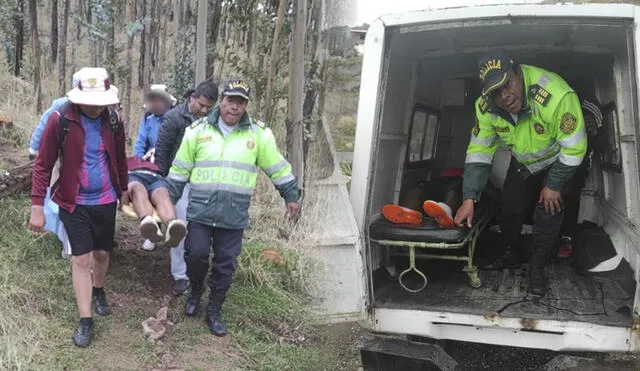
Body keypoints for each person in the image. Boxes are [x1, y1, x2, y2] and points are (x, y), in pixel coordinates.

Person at [166, 79, 300, 337]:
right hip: (201, 212)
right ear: (221, 101)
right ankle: (195, 290)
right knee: (195, 256)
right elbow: (180, 169)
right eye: (230, 100)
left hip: (233, 214)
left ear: (246, 106)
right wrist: (167, 200)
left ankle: (214, 309)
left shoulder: (259, 135)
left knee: (225, 264)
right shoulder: (197, 130)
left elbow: (278, 168)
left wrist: (290, 195)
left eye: (240, 102)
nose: (234, 107)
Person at [455, 49, 587, 296]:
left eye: (508, 85)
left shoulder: (556, 95)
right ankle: (511, 253)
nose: (504, 96)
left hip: (557, 161)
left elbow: (576, 146)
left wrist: (554, 185)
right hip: (523, 162)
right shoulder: (485, 108)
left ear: (518, 71)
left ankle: (537, 266)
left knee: (548, 213)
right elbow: (479, 151)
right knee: (510, 208)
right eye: (495, 92)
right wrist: (469, 198)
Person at [29, 67, 128, 347]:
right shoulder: (60, 120)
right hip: (74, 201)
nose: (95, 107)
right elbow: (43, 165)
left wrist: (123, 190)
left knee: (102, 254)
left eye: (100, 102)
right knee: (81, 259)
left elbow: (120, 159)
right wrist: (38, 205)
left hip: (106, 199)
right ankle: (86, 320)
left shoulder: (113, 121)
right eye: (90, 101)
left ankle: (99, 290)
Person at [154, 80, 219, 296]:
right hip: (178, 181)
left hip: (205, 182)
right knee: (179, 227)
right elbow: (162, 152)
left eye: (209, 107)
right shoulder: (174, 118)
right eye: (201, 105)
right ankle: (180, 275)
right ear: (192, 98)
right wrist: (162, 185)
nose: (204, 110)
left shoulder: (215, 122)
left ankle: (199, 272)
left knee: (202, 230)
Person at [132, 84, 177, 251]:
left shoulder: (173, 119)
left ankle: (170, 227)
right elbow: (141, 142)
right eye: (153, 100)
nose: (156, 103)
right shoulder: (147, 118)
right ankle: (153, 229)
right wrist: (139, 163)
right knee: (140, 188)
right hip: (147, 164)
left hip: (168, 164)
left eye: (159, 100)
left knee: (161, 192)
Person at [125, 155, 187, 248]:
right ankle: (148, 222)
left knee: (162, 194)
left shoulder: (156, 159)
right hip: (133, 174)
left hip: (155, 175)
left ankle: (172, 225)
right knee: (137, 189)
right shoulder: (126, 160)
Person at [381, 169, 463, 228]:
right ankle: (411, 213)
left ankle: (410, 210)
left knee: (451, 192)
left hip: (449, 182)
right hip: (444, 182)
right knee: (419, 189)